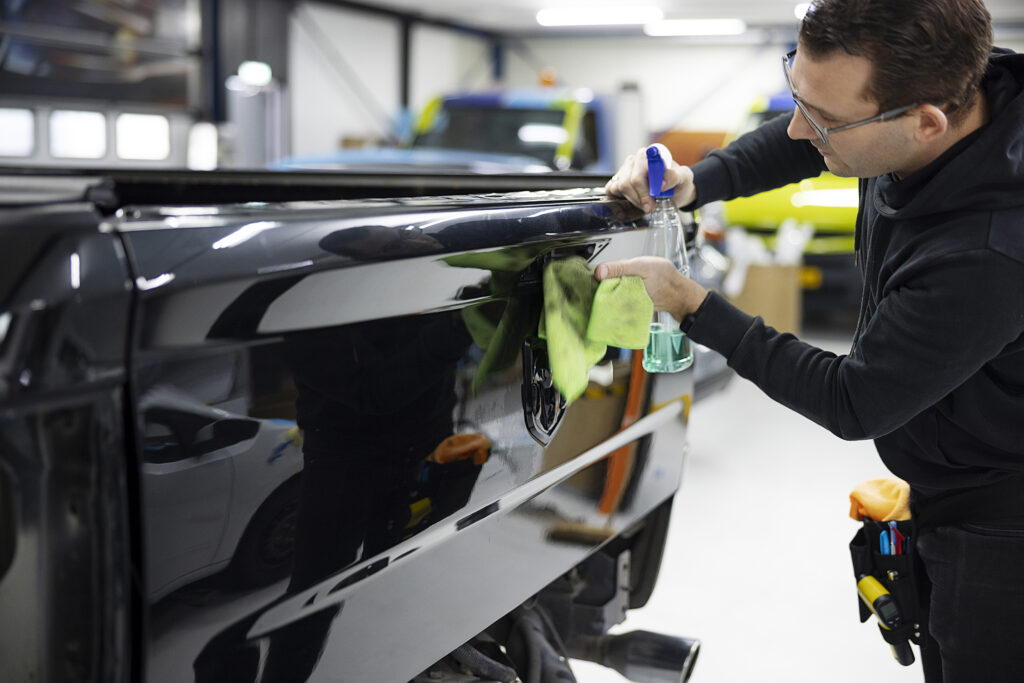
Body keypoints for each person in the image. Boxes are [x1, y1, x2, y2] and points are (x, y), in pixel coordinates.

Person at [601, 0, 1024, 680]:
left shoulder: (991, 250)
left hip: (1002, 536)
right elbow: (797, 138)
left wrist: (694, 306)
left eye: (823, 118)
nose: (801, 126)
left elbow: (855, 398)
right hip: (951, 488)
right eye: (798, 94)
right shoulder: (962, 88)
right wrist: (697, 182)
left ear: (925, 123)